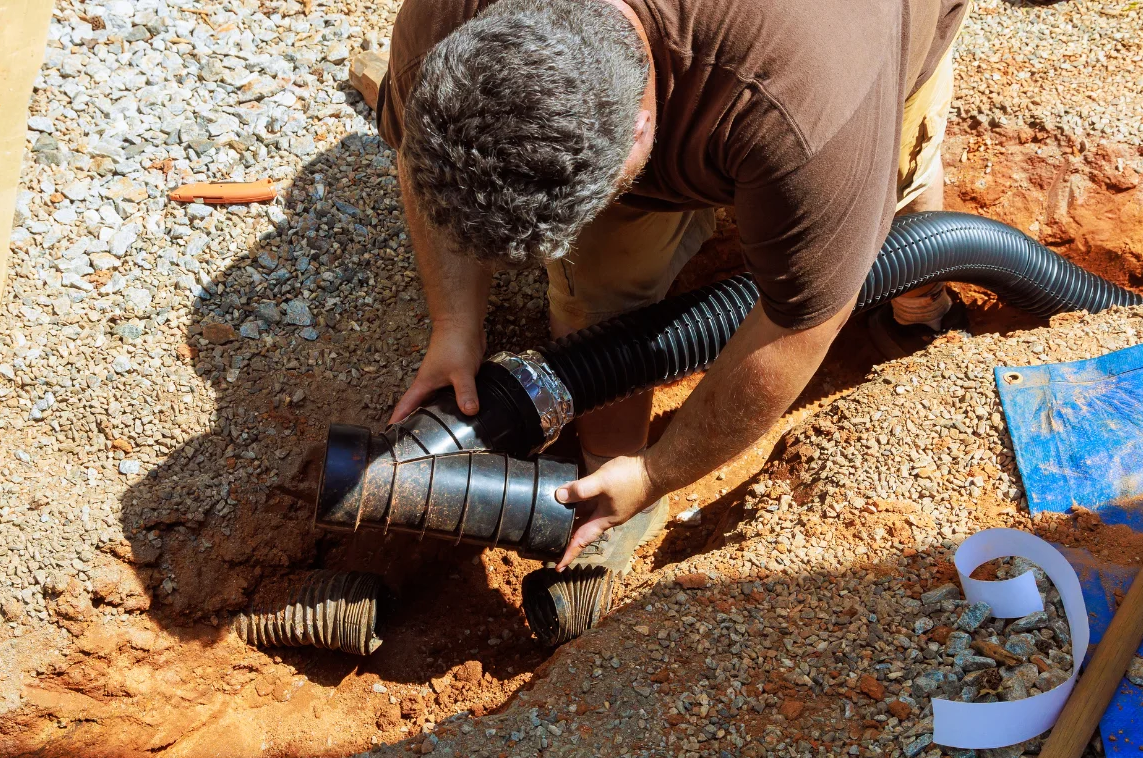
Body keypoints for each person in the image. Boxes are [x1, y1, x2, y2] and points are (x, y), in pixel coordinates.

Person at [379, 0, 970, 574]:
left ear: (640, 131)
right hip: (703, 84)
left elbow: (800, 322)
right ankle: (606, 464)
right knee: (600, 288)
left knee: (900, 202)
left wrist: (656, 474)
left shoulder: (809, 110)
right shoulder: (441, 31)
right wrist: (455, 325)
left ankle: (919, 309)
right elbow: (419, 156)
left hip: (863, 39)